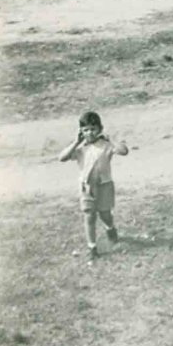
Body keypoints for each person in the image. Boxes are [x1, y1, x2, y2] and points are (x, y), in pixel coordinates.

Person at [58, 110, 130, 260]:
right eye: (86, 130)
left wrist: (110, 139)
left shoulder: (105, 145)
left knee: (105, 214)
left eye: (93, 129)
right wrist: (76, 142)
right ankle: (92, 248)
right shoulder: (80, 148)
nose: (89, 133)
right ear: (81, 131)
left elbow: (124, 151)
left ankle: (110, 228)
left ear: (99, 129)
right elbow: (62, 158)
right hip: (87, 187)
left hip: (104, 185)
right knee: (89, 216)